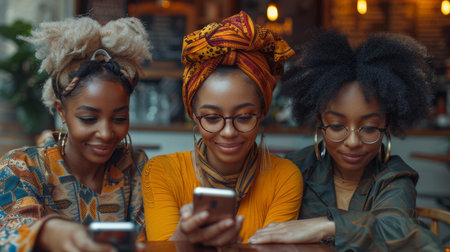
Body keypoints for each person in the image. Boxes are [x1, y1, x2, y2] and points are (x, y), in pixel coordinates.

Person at [247, 30, 443, 251]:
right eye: (337, 126)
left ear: (386, 125)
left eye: (368, 128)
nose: (352, 141)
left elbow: (399, 229)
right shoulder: (293, 169)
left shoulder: (394, 176)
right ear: (320, 122)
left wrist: (326, 226)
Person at [142, 11, 302, 246]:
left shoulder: (284, 177)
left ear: (263, 112)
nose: (228, 132)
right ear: (194, 116)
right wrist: (182, 241)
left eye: (245, 117)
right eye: (212, 117)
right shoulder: (161, 172)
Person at [0, 16, 151, 251]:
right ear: (62, 110)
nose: (105, 132)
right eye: (89, 118)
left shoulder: (135, 166)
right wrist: (50, 231)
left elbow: (147, 242)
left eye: (119, 118)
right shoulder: (22, 167)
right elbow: (9, 235)